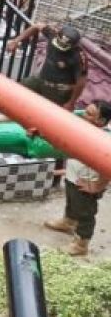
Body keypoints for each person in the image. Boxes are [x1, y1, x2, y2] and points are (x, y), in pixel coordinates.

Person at [45, 99, 111, 256]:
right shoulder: (85, 128)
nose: (83, 114)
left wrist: (98, 186)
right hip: (74, 175)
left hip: (87, 182)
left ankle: (82, 244)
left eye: (89, 114)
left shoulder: (103, 139)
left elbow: (107, 165)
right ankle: (68, 221)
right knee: (72, 201)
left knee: (85, 213)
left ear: (101, 121)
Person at [7, 22, 88, 109]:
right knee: (18, 90)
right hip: (41, 78)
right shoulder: (52, 34)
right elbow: (37, 26)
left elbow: (81, 81)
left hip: (59, 90)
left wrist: (71, 102)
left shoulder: (79, 57)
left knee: (45, 111)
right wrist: (17, 40)